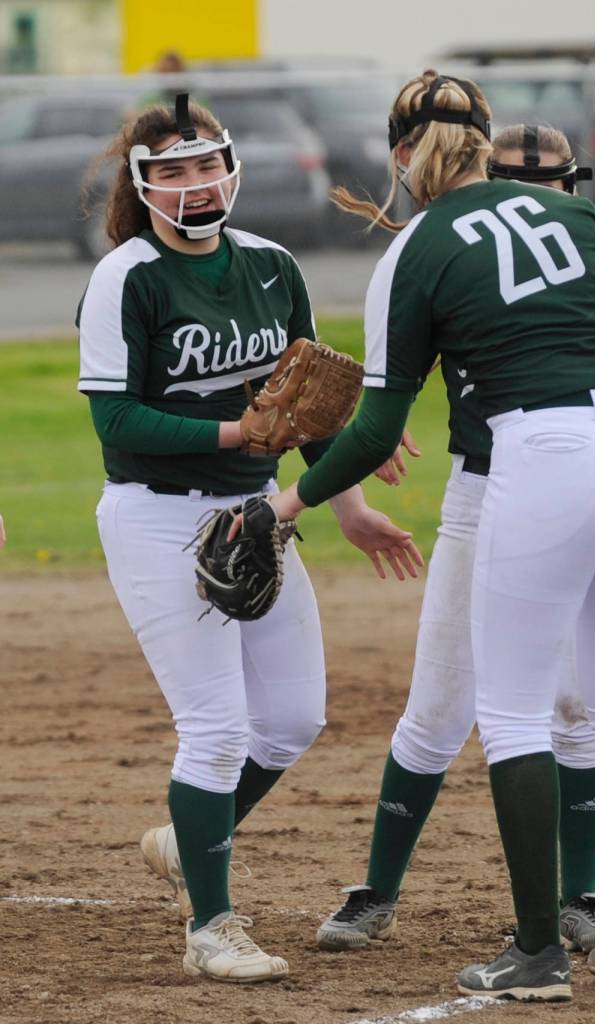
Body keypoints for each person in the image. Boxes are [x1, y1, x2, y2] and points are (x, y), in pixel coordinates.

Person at [241, 70, 595, 1001]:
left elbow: (374, 429)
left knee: (514, 712)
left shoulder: (413, 247)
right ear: (487, 150)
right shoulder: (575, 217)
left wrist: (284, 507)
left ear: (403, 159)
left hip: (545, 455)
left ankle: (534, 954)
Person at [76, 94, 421, 984]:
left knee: (294, 716)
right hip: (158, 513)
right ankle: (211, 925)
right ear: (143, 185)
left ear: (232, 168)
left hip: (260, 512)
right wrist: (237, 437)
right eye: (173, 172)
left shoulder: (271, 264)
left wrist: (341, 502)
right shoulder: (128, 275)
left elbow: (302, 402)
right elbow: (116, 421)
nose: (195, 185)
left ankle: (182, 842)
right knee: (217, 727)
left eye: (206, 166)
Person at [314, 124, 595, 959]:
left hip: (585, 489)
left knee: (578, 704)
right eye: (516, 177)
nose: (531, 193)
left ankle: (578, 896)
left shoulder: (587, 244)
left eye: (546, 180)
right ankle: (377, 890)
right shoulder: (455, 249)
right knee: (440, 704)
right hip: (488, 491)